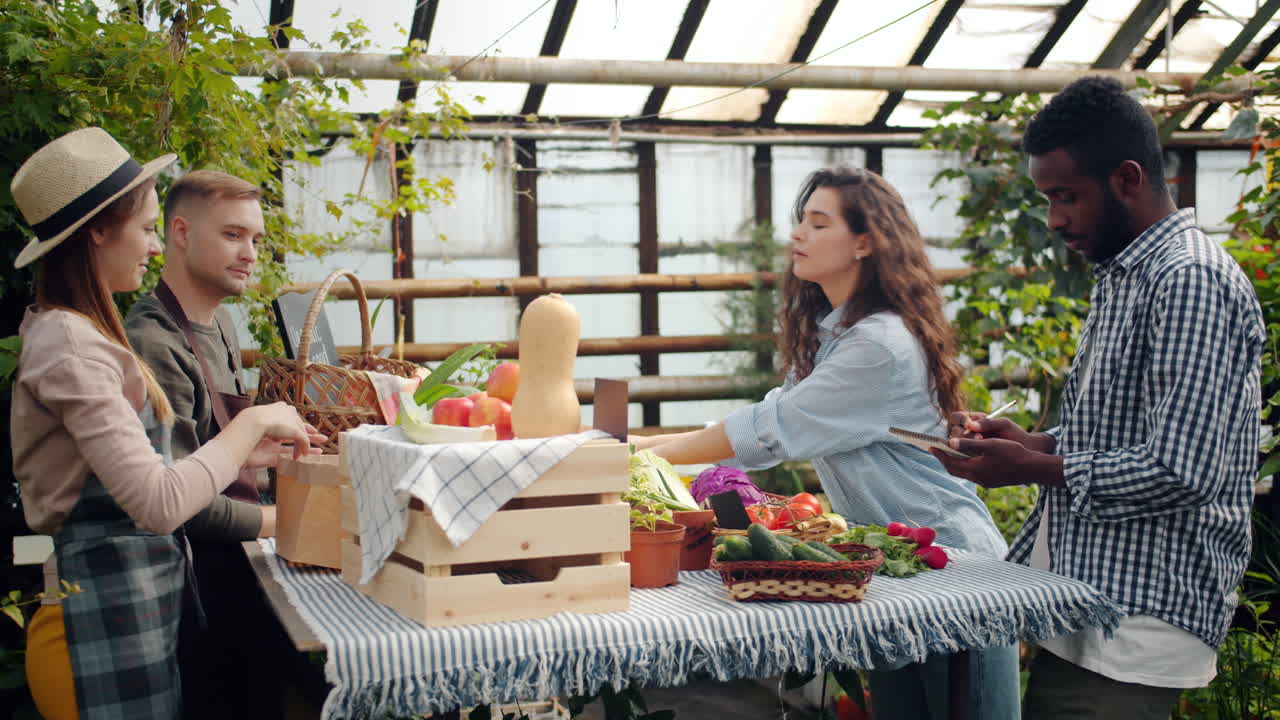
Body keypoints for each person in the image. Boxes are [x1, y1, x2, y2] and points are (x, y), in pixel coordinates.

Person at [632, 167, 1018, 719]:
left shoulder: (877, 347)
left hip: (955, 573)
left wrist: (636, 451)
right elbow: (771, 417)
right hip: (899, 570)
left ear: (865, 242)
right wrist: (635, 445)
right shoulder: (836, 335)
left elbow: (772, 430)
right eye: (801, 222)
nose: (798, 235)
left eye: (818, 223)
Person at [933, 76, 1264, 720]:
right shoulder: (1124, 276)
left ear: (1128, 178)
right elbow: (1124, 440)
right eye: (1047, 199)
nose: (1055, 219)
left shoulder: (1188, 279)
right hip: (1089, 601)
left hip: (1138, 621)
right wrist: (1029, 445)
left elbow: (1182, 468)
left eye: (1066, 197)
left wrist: (1034, 469)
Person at [11, 127, 324, 719]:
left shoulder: (81, 336)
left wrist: (245, 453)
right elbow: (158, 501)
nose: (156, 247)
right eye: (149, 228)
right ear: (99, 230)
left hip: (131, 616)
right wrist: (250, 424)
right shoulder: (71, 347)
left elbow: (146, 476)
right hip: (92, 627)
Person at [123, 170, 275, 718]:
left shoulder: (222, 325)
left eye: (256, 239)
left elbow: (218, 451)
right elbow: (182, 504)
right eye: (234, 235)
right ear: (181, 233)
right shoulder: (154, 343)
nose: (250, 254)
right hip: (198, 586)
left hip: (243, 569)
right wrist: (290, 520)